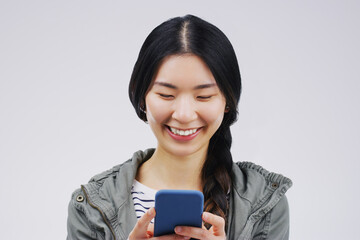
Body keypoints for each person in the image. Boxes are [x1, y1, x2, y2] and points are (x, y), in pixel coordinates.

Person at [67, 15, 292, 240]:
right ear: (141, 95)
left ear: (227, 101)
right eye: (166, 95)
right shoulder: (91, 208)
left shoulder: (265, 203)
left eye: (203, 96)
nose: (184, 115)